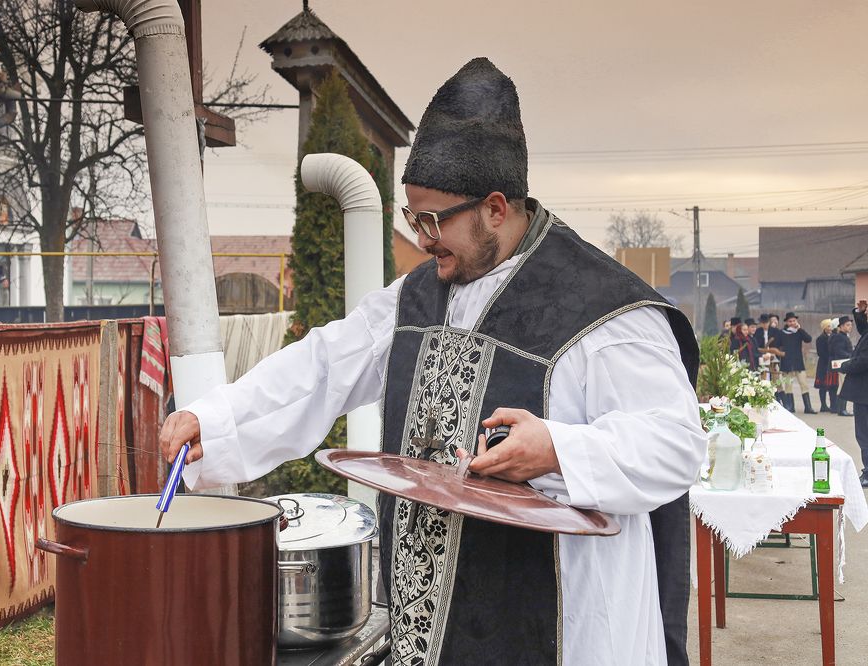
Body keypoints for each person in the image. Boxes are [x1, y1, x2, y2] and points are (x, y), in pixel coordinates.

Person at [159, 58, 705, 665]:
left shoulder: (606, 309)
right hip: (434, 619)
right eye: (412, 216)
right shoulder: (418, 298)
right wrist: (217, 419)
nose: (421, 237)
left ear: (496, 208)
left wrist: (558, 449)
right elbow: (322, 366)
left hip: (567, 622)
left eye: (434, 220)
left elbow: (676, 444)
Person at [837, 300, 868, 486]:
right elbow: (864, 329)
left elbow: (864, 361)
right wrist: (859, 312)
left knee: (864, 434)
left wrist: (844, 365)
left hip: (864, 393)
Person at [778, 312, 815, 414]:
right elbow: (777, 345)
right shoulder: (782, 333)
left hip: (798, 362)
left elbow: (808, 339)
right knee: (788, 385)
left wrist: (800, 328)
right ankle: (790, 407)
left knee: (804, 384)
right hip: (786, 363)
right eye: (790, 321)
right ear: (786, 322)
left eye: (794, 320)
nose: (792, 322)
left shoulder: (799, 332)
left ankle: (808, 407)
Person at [831, 315, 856, 417]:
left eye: (850, 325)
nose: (850, 327)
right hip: (842, 364)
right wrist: (851, 356)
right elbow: (839, 351)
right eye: (847, 325)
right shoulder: (839, 337)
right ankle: (841, 409)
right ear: (840, 326)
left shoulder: (844, 336)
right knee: (842, 386)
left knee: (842, 386)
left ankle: (841, 409)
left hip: (845, 364)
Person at [814, 318, 839, 413]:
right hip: (824, 363)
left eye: (831, 326)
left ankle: (833, 405)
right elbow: (820, 352)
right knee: (823, 385)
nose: (830, 328)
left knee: (831, 385)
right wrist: (829, 357)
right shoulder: (820, 338)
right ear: (824, 328)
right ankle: (823, 405)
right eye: (828, 326)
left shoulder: (833, 336)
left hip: (831, 363)